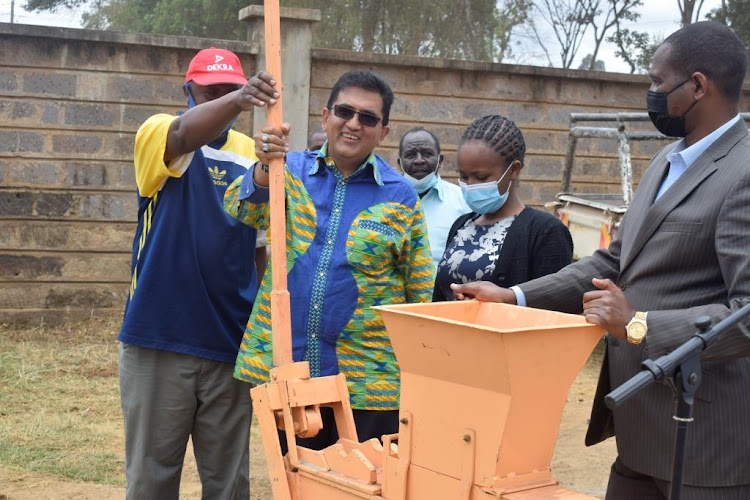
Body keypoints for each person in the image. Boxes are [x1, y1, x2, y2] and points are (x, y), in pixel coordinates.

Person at [452, 22, 750, 499]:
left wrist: (638, 324)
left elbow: (747, 314)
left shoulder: (743, 172)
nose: (651, 93)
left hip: (705, 442)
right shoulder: (667, 161)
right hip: (640, 428)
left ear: (697, 85)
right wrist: (515, 295)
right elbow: (612, 262)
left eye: (657, 82)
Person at [224, 69, 435, 449]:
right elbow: (242, 208)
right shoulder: (288, 170)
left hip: (369, 377)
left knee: (366, 483)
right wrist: (262, 166)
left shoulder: (401, 196)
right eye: (345, 112)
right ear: (326, 117)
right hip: (292, 368)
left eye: (368, 118)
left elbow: (419, 290)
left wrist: (419, 370)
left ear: (383, 132)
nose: (354, 123)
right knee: (298, 480)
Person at [118, 47, 268, 499]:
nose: (222, 98)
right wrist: (240, 99)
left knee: (229, 482)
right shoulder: (159, 132)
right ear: (189, 90)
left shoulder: (253, 154)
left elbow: (257, 247)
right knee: (152, 479)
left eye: (230, 89)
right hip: (159, 337)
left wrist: (257, 332)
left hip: (230, 343)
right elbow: (185, 132)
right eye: (211, 91)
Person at [433, 115, 572, 301]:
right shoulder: (462, 225)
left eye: (481, 177)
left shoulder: (545, 231)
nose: (471, 185)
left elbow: (554, 305)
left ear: (513, 170)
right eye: (464, 176)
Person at [397, 127, 471, 268]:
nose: (419, 161)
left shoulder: (464, 201)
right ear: (399, 162)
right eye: (411, 155)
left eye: (427, 154)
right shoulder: (383, 201)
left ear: (440, 160)